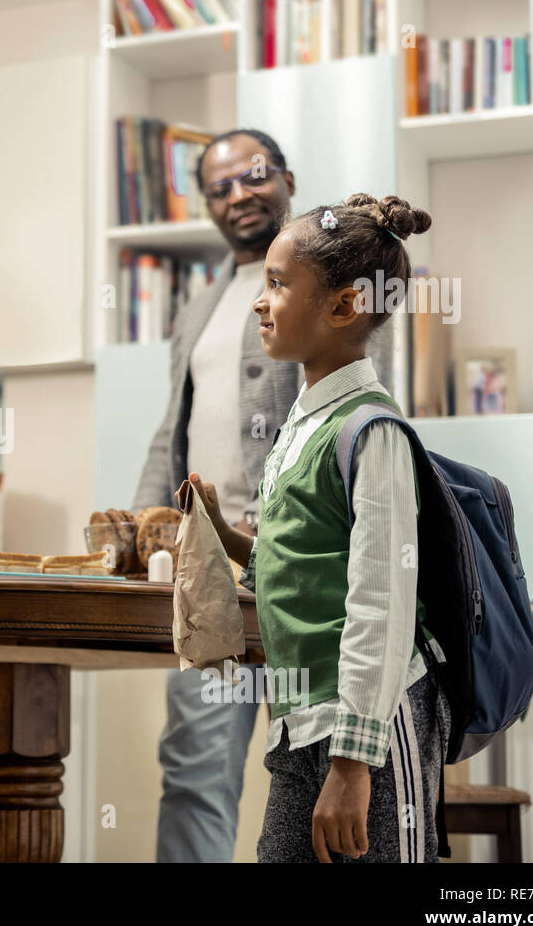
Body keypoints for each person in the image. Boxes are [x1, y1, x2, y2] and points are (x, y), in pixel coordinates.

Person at [192, 193, 451, 862]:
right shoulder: (302, 427)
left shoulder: (372, 431)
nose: (259, 301)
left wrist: (353, 765)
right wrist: (224, 532)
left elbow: (381, 601)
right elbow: (301, 565)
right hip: (299, 726)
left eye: (277, 284)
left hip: (368, 737)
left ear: (342, 307)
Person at [134, 128, 302, 863]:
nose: (239, 194)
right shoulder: (197, 308)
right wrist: (146, 521)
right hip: (207, 580)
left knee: (312, 783)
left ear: (286, 179)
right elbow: (171, 428)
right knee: (195, 776)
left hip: (304, 574)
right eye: (220, 186)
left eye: (253, 176)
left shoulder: (327, 287)